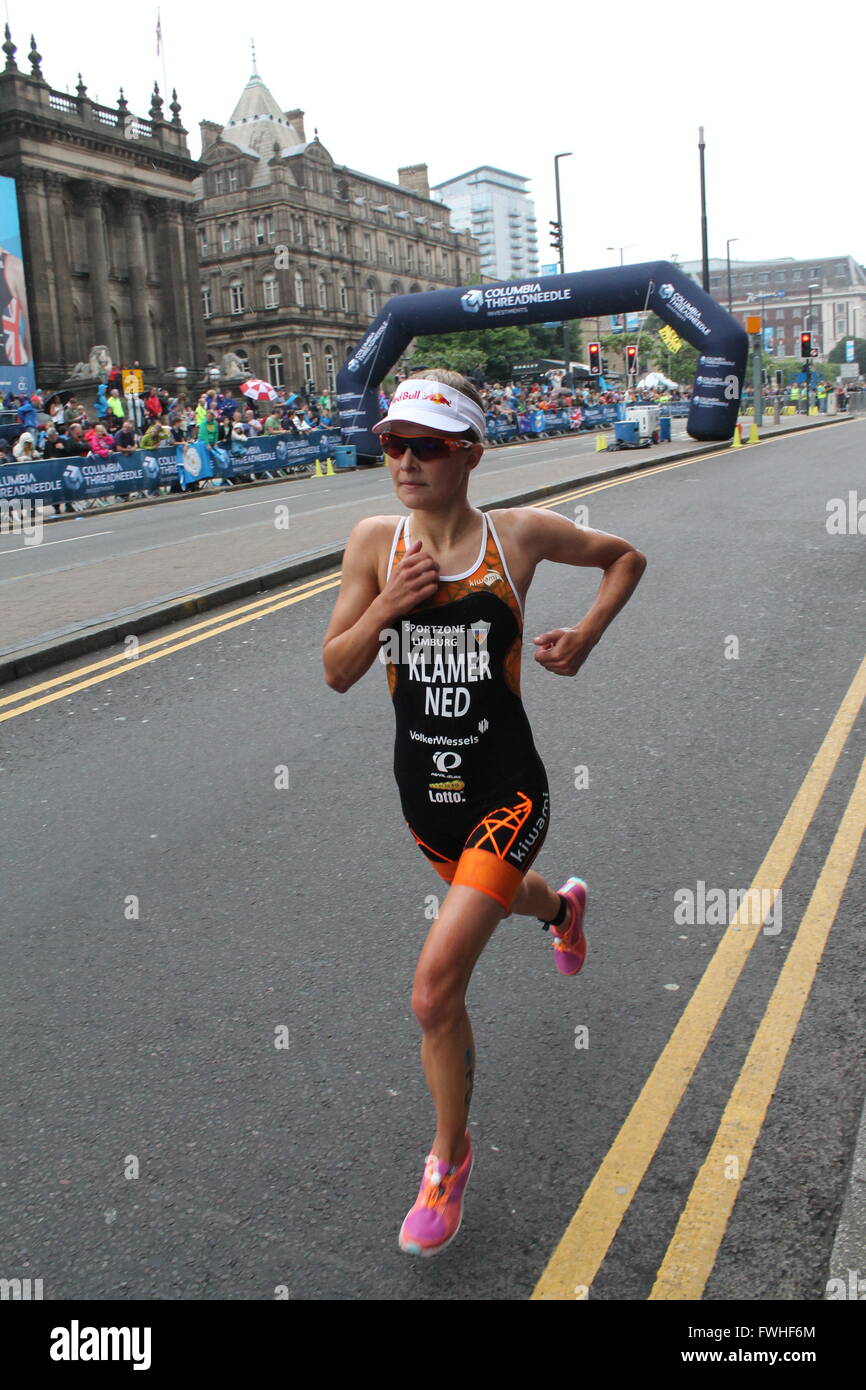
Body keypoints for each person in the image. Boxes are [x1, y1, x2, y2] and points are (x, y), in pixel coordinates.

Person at [321, 369, 646, 1257]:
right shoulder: (372, 544)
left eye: (428, 445)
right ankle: (563, 908)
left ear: (470, 452)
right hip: (425, 801)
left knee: (433, 991)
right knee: (503, 900)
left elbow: (627, 557)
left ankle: (448, 1158)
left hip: (508, 792)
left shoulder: (520, 538)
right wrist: (390, 604)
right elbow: (337, 669)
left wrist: (585, 634)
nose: (406, 461)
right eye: (393, 443)